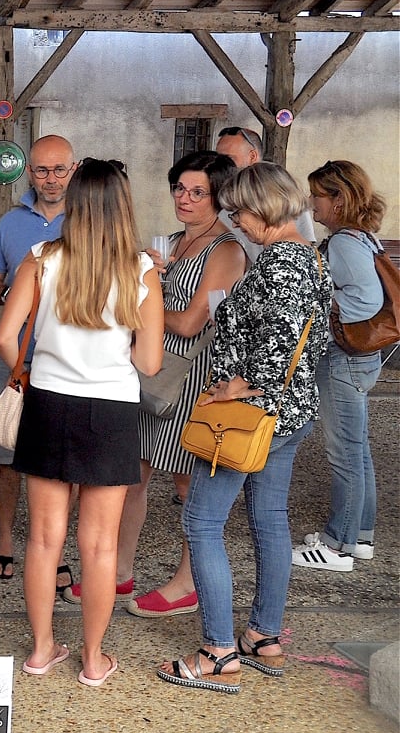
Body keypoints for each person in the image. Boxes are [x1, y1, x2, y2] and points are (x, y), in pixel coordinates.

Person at [158, 162, 331, 693]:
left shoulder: (279, 263)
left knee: (203, 522)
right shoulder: (310, 260)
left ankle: (217, 650)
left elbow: (274, 348)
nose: (235, 222)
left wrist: (237, 383)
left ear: (266, 208)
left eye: (239, 212)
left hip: (250, 416)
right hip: (293, 411)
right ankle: (263, 636)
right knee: (269, 518)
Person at [0, 159, 163, 688]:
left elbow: (5, 335)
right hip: (112, 410)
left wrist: (26, 369)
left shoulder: (42, 258)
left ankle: (42, 650)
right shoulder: (141, 269)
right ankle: (94, 660)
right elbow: (151, 363)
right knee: (100, 546)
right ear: (123, 206)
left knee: (44, 539)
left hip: (49, 403)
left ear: (75, 203)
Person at [108, 151, 245, 618]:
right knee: (132, 478)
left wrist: (145, 304)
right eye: (179, 189)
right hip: (154, 371)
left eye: (197, 192)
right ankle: (118, 573)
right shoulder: (166, 242)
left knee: (190, 482)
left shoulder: (225, 249)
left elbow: (189, 323)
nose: (184, 199)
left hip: (194, 377)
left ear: (220, 197)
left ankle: (187, 583)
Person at [0, 135, 75, 585]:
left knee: (58, 461)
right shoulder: (10, 223)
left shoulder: (88, 219)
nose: (51, 179)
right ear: (27, 172)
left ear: (73, 170)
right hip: (15, 354)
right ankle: (5, 540)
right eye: (41, 170)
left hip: (70, 361)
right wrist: (10, 293)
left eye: (59, 169)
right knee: (5, 450)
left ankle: (50, 549)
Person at [292, 160, 387, 572]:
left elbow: (366, 301)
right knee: (357, 451)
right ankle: (360, 536)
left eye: (318, 195)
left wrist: (321, 318)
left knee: (344, 454)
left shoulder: (346, 243)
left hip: (344, 360)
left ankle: (337, 545)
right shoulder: (361, 238)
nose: (312, 204)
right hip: (359, 359)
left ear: (339, 198)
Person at [215, 126, 315, 263]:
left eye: (228, 159)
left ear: (252, 156)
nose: (221, 165)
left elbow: (306, 244)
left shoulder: (281, 187)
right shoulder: (224, 192)